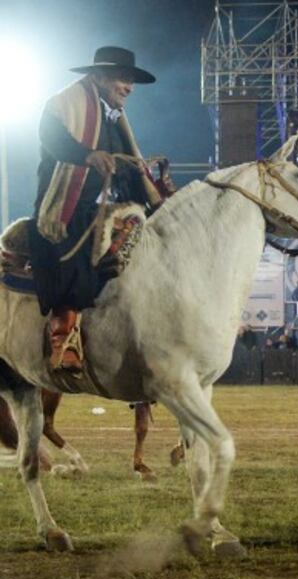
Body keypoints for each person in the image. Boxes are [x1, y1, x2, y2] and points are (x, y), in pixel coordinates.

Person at [28, 47, 163, 373]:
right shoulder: (63, 105)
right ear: (100, 77)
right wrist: (86, 155)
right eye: (123, 79)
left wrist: (155, 194)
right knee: (74, 245)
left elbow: (128, 169)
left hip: (114, 207)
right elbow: (51, 138)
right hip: (67, 206)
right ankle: (64, 334)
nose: (128, 87)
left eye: (131, 81)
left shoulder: (115, 120)